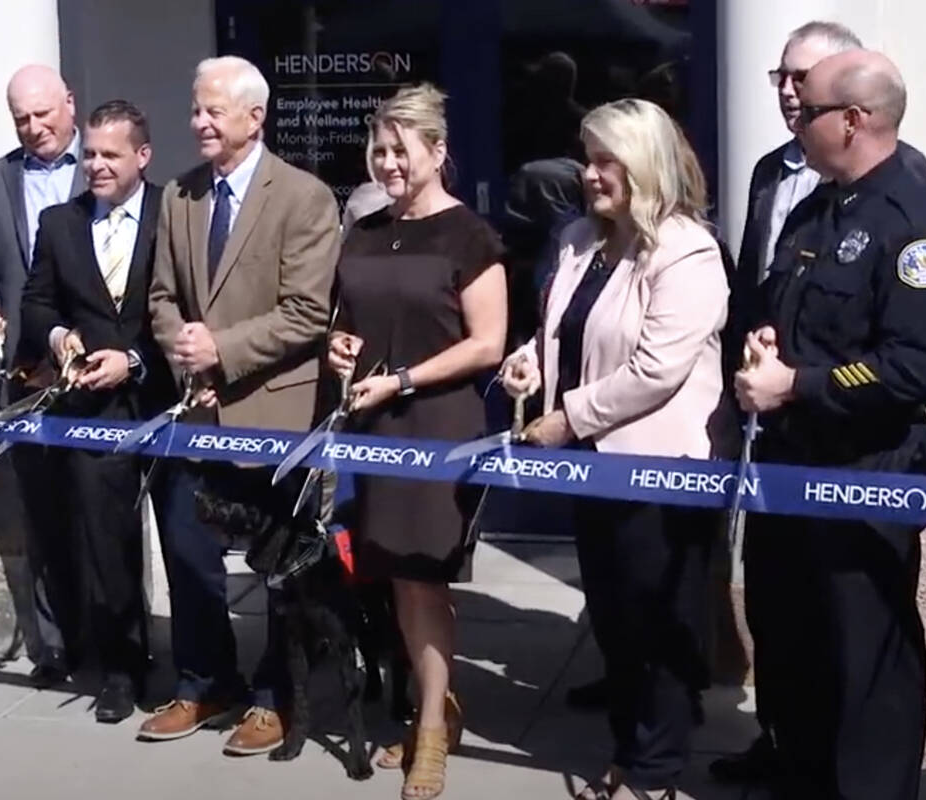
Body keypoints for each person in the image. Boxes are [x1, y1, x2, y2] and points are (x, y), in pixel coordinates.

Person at [714, 20, 926, 786]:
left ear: (853, 120)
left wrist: (798, 384)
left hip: (865, 470)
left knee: (865, 653)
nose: (793, 119)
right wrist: (766, 351)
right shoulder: (816, 211)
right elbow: (783, 307)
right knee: (794, 637)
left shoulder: (913, 226)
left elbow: (915, 372)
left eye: (807, 110)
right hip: (789, 463)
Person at [502, 98, 730, 800]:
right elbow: (567, 332)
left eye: (607, 161)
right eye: (588, 158)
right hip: (596, 469)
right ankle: (633, 746)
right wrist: (530, 363)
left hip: (659, 471)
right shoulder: (579, 238)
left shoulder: (687, 250)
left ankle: (653, 773)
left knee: (656, 628)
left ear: (646, 166)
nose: (591, 174)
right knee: (615, 620)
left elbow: (656, 369)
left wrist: (568, 417)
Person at [140, 56, 340, 754]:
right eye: (196, 109)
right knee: (187, 548)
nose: (198, 121)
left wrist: (221, 347)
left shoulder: (305, 197)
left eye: (213, 110)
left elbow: (307, 312)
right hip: (197, 414)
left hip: (273, 414)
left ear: (255, 117)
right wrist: (184, 348)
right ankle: (202, 681)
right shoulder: (180, 196)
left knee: (279, 565)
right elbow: (162, 297)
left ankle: (273, 694)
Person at [328, 83, 508, 800]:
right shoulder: (365, 230)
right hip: (370, 423)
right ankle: (437, 703)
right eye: (380, 149)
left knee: (424, 576)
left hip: (435, 427)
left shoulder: (470, 236)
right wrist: (339, 348)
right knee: (397, 577)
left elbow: (488, 344)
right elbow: (346, 318)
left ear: (438, 152)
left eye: (402, 150)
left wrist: (401, 381)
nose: (388, 163)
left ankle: (429, 727)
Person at [20, 100, 172, 723]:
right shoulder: (60, 222)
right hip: (92, 408)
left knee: (190, 546)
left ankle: (202, 672)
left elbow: (191, 302)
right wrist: (59, 340)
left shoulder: (177, 213)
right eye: (89, 153)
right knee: (107, 547)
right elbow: (35, 303)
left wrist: (134, 359)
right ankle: (121, 668)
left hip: (168, 402)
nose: (95, 166)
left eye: (110, 154)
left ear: (142, 155)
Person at [0, 64, 85, 688]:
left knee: (102, 514)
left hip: (99, 370)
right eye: (22, 120)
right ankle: (55, 648)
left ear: (70, 103)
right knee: (40, 517)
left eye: (44, 114)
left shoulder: (108, 165)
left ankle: (119, 647)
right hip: (27, 373)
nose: (35, 128)